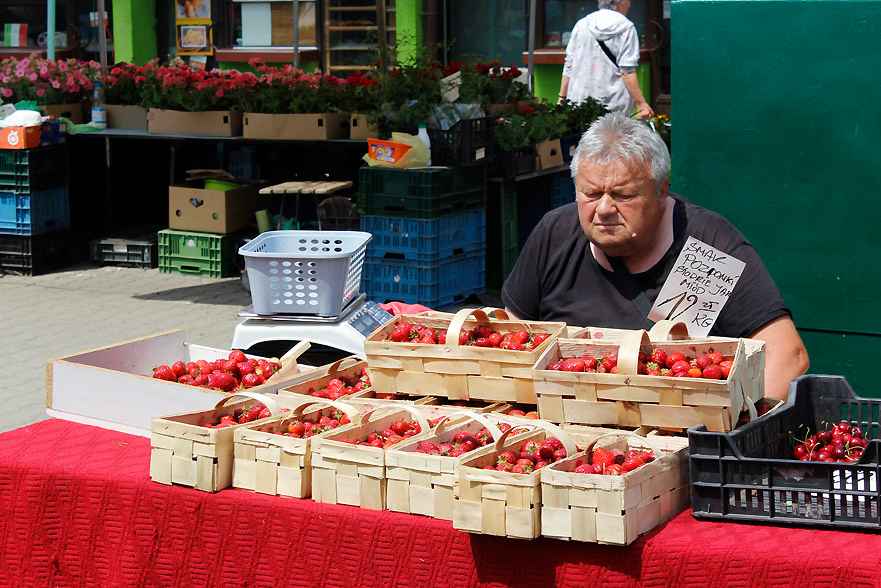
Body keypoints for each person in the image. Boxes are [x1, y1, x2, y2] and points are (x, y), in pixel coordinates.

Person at [502, 113, 809, 400]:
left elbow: (787, 356)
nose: (605, 209)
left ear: (662, 191)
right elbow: (511, 338)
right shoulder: (555, 233)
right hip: (569, 435)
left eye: (623, 195)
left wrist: (724, 433)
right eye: (591, 194)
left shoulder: (709, 247)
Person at [559, 0, 654, 119]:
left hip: (579, 102)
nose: (630, 4)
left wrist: (562, 98)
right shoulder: (626, 27)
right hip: (613, 105)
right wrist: (641, 103)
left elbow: (569, 65)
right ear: (620, 2)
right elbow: (627, 71)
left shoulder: (581, 24)